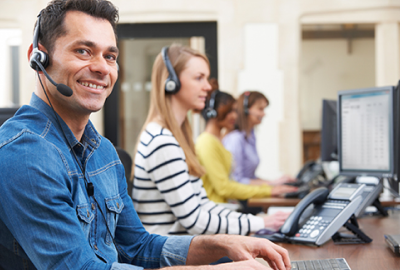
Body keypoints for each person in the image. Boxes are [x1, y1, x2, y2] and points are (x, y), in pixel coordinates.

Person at [0, 1, 291, 270]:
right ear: (37, 56)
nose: (102, 67)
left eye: (110, 56)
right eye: (83, 51)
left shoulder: (102, 151)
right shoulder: (25, 152)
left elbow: (138, 246)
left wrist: (221, 243)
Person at [131, 44, 292, 242]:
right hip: (169, 252)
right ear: (171, 83)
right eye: (199, 78)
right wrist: (260, 224)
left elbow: (203, 205)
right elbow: (194, 220)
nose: (207, 87)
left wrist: (259, 222)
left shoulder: (177, 139)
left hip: (182, 245)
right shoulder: (162, 142)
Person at [195, 90, 297, 214]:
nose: (235, 116)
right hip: (217, 211)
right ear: (214, 112)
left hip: (225, 208)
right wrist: (269, 190)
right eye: (230, 111)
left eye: (235, 111)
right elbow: (224, 188)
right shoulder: (207, 142)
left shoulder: (217, 141)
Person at [223, 91, 296, 186]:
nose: (263, 114)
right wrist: (272, 183)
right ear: (246, 110)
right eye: (260, 109)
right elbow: (236, 180)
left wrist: (277, 182)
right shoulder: (235, 139)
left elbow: (250, 177)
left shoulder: (250, 136)